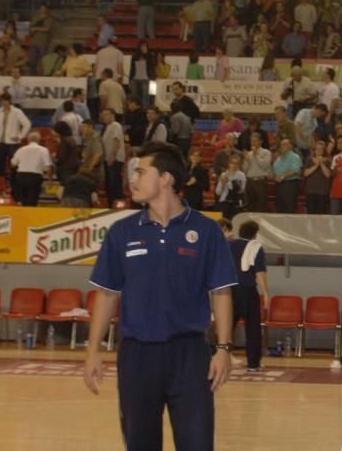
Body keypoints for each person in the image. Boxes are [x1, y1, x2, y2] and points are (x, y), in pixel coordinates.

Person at [83, 142, 237, 451]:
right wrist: (92, 350)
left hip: (190, 356)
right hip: (137, 356)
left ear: (165, 178)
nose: (133, 179)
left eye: (141, 171)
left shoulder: (206, 231)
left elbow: (220, 292)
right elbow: (107, 294)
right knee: (140, 444)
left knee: (197, 444)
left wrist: (223, 348)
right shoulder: (121, 232)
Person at [225, 219, 270, 372]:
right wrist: (266, 293)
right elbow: (259, 272)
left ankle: (219, 357)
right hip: (248, 291)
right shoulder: (255, 247)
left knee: (226, 327)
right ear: (255, 234)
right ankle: (253, 363)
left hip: (230, 290)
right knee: (252, 328)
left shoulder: (229, 245)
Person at [10, 132, 52, 207]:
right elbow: (48, 166)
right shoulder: (43, 150)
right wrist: (49, 180)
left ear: (28, 139)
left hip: (21, 176)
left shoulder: (21, 149)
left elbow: (13, 164)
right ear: (39, 140)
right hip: (35, 176)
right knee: (32, 200)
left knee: (22, 200)